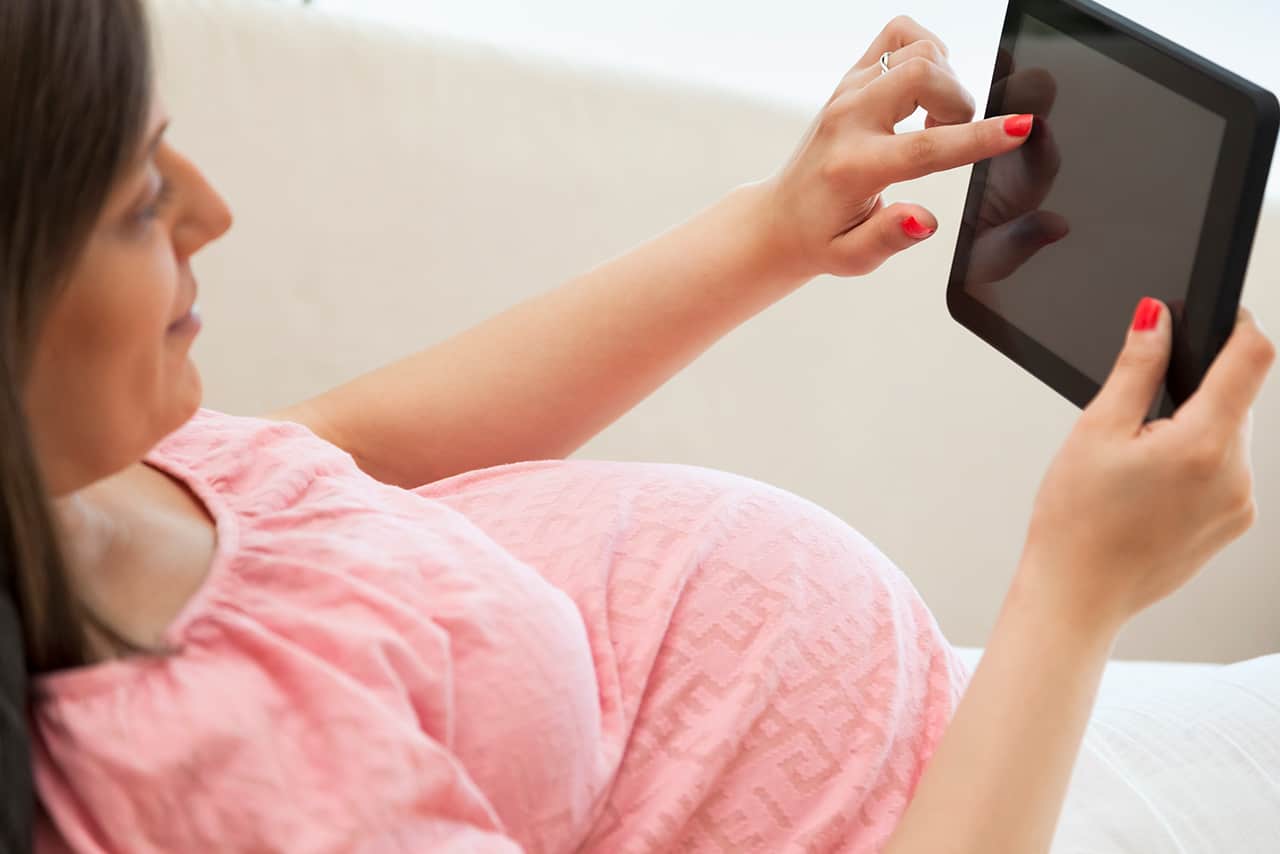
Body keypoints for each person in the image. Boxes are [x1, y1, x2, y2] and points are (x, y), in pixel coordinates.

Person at [2, 1, 1274, 852]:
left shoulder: (86, 496)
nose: (210, 212)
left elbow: (337, 456)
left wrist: (770, 229)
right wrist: (1071, 590)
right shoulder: (227, 790)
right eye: (137, 200)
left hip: (966, 715)